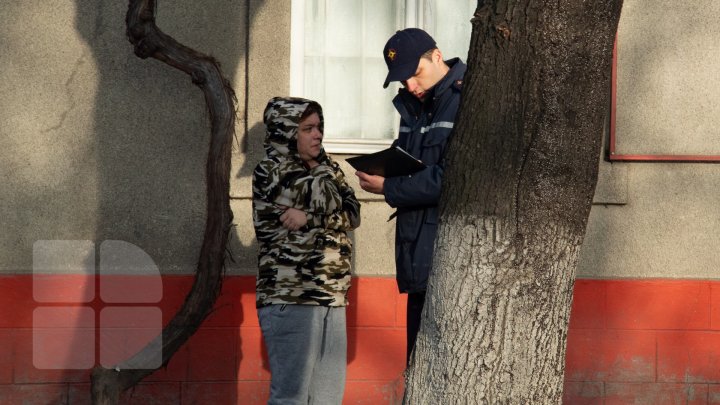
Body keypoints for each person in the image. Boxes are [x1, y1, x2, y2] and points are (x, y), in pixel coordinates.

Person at [355, 28, 466, 365]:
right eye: (404, 80)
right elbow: (411, 164)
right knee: (417, 368)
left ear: (437, 56)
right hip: (418, 257)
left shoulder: (465, 100)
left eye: (415, 74)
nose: (411, 87)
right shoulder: (415, 108)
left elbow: (454, 179)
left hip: (449, 258)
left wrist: (388, 188)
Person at [252, 97, 361, 404]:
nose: (318, 135)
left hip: (332, 294)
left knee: (327, 397)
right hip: (291, 295)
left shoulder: (324, 167)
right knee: (292, 397)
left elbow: (353, 213)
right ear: (287, 132)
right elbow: (330, 197)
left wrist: (308, 217)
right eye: (308, 128)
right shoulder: (273, 170)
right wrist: (324, 172)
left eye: (320, 127)